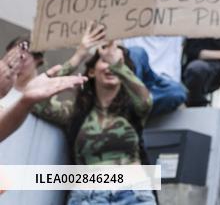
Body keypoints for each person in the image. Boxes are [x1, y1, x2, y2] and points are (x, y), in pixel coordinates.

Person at [32, 40, 155, 204]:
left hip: (133, 193)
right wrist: (78, 56)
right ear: (91, 71)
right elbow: (36, 101)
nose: (111, 66)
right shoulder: (75, 112)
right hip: (88, 196)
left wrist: (118, 66)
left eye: (117, 62)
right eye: (105, 61)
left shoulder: (134, 109)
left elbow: (146, 100)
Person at [118, 0, 187, 116]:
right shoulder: (133, 18)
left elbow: (209, 5)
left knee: (178, 92)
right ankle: (136, 103)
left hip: (161, 85)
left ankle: (138, 106)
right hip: (135, 79)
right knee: (137, 53)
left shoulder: (178, 24)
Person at [0, 40, 86, 143]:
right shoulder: (4, 89)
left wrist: (79, 55)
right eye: (10, 57)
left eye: (22, 58)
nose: (14, 64)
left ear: (37, 59)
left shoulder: (38, 96)